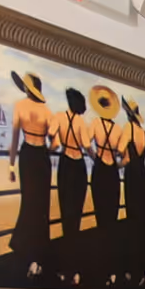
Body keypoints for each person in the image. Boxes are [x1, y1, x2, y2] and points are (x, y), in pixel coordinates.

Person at [8, 72, 51, 276]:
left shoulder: (20, 106)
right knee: (41, 206)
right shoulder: (47, 110)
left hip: (27, 156)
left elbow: (15, 137)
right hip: (42, 157)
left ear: (27, 88)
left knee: (29, 201)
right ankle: (39, 257)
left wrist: (10, 165)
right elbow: (56, 140)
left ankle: (24, 249)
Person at [50, 88, 90, 245]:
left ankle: (67, 240)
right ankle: (74, 241)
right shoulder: (81, 122)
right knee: (77, 209)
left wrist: (52, 146)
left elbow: (51, 134)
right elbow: (87, 146)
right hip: (79, 166)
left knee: (65, 207)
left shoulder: (59, 116)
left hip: (65, 163)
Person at [86, 85, 124, 255]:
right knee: (112, 213)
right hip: (113, 172)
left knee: (100, 212)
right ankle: (111, 250)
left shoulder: (95, 123)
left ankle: (101, 250)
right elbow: (126, 156)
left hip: (100, 170)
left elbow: (86, 143)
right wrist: (117, 165)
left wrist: (95, 157)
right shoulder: (118, 129)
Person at [120, 98, 145, 283]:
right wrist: (143, 169)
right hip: (142, 177)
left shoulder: (127, 129)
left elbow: (120, 149)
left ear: (128, 114)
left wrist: (118, 163)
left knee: (131, 220)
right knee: (141, 222)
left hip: (131, 176)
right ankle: (141, 268)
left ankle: (132, 270)